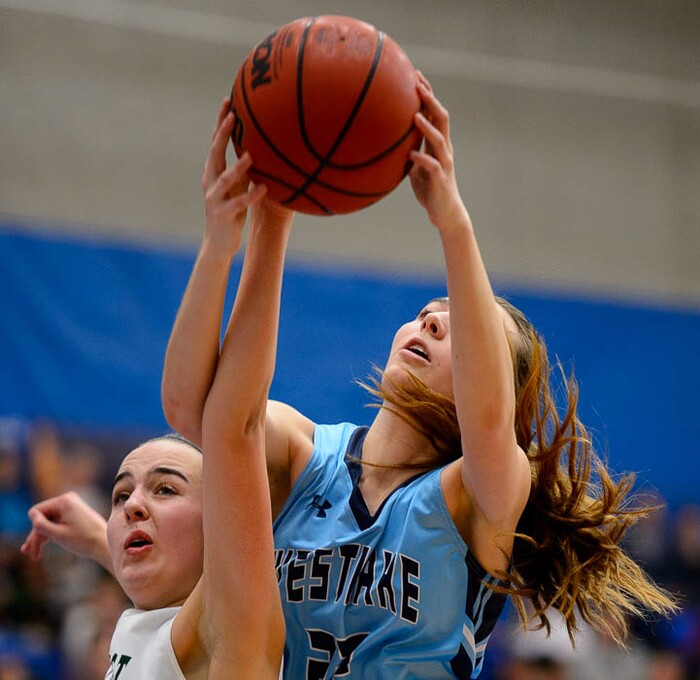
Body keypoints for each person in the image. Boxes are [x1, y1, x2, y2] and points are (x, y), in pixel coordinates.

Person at [160, 74, 678, 678]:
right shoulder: (302, 454)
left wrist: (453, 222)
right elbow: (195, 409)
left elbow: (487, 420)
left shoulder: (479, 494)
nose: (431, 324)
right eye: (429, 314)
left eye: (461, 330)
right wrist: (252, 230)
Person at [21, 100, 292, 679]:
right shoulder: (147, 627)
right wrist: (99, 538)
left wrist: (268, 224)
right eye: (121, 497)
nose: (133, 504)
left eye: (165, 490)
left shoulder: (223, 630)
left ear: (223, 518)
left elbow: (236, 422)